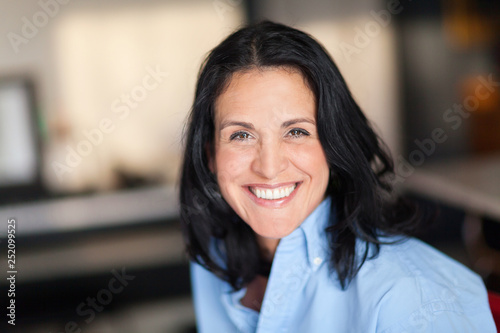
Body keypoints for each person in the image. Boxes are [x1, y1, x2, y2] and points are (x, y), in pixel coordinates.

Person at [179, 20, 496, 332]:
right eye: (241, 135)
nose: (269, 167)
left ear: (335, 144)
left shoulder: (414, 300)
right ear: (210, 154)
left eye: (297, 131)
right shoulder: (212, 260)